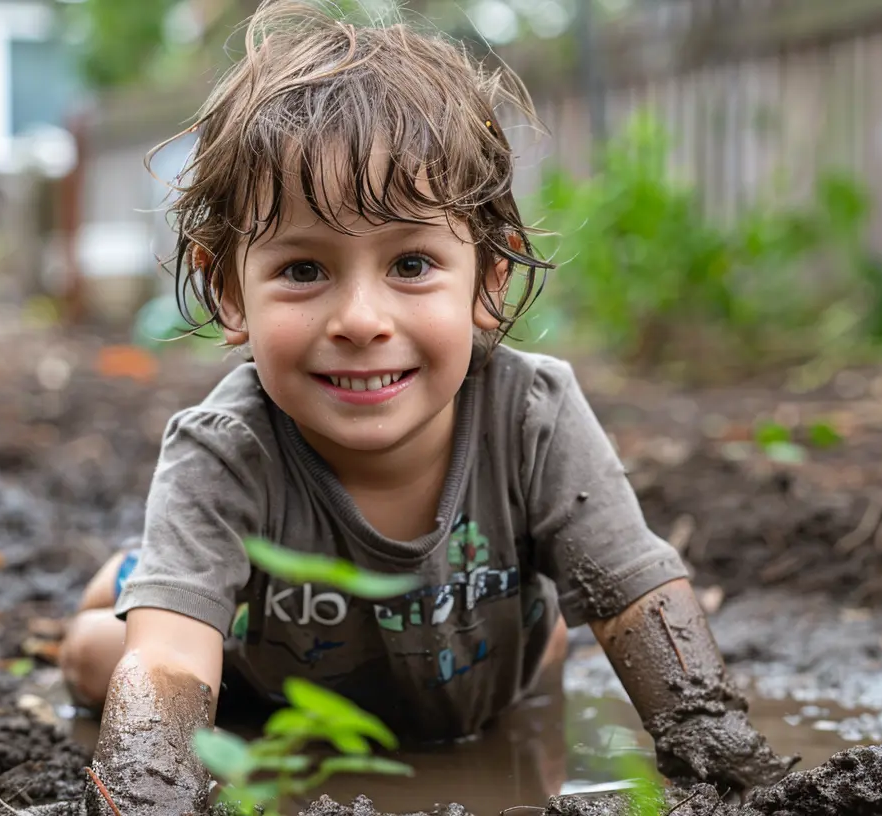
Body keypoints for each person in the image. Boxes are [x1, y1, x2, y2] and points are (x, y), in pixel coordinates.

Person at [58, 2, 796, 812]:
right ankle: (142, 581)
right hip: (273, 689)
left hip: (484, 669)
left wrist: (726, 757)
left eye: (411, 263)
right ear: (230, 291)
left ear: (488, 280)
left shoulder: (532, 415)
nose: (362, 320)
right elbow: (166, 666)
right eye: (304, 270)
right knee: (101, 658)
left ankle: (145, 573)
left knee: (546, 643)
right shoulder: (225, 451)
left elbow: (633, 594)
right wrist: (146, 791)